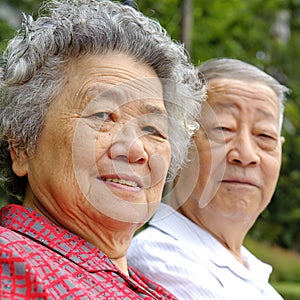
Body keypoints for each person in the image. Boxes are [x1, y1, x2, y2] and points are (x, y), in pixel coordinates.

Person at [0, 0, 205, 299]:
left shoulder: (157, 288)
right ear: (21, 145)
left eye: (153, 129)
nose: (137, 150)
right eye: (102, 115)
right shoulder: (13, 264)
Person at [128, 58, 289, 300]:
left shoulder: (254, 273)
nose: (246, 155)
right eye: (223, 129)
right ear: (178, 143)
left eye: (264, 136)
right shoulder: (159, 258)